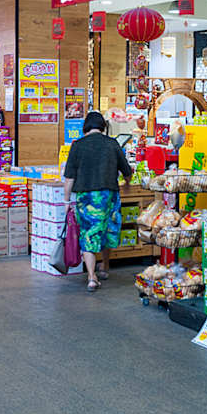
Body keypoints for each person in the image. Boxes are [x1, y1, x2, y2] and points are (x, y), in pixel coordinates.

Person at [63, 111, 133, 292]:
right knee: (108, 229)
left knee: (88, 233)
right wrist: (126, 182)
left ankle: (91, 276)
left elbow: (69, 176)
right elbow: (126, 170)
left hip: (86, 198)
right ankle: (106, 266)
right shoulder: (112, 144)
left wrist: (65, 201)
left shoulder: (77, 145)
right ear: (103, 126)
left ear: (85, 126)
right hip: (108, 195)